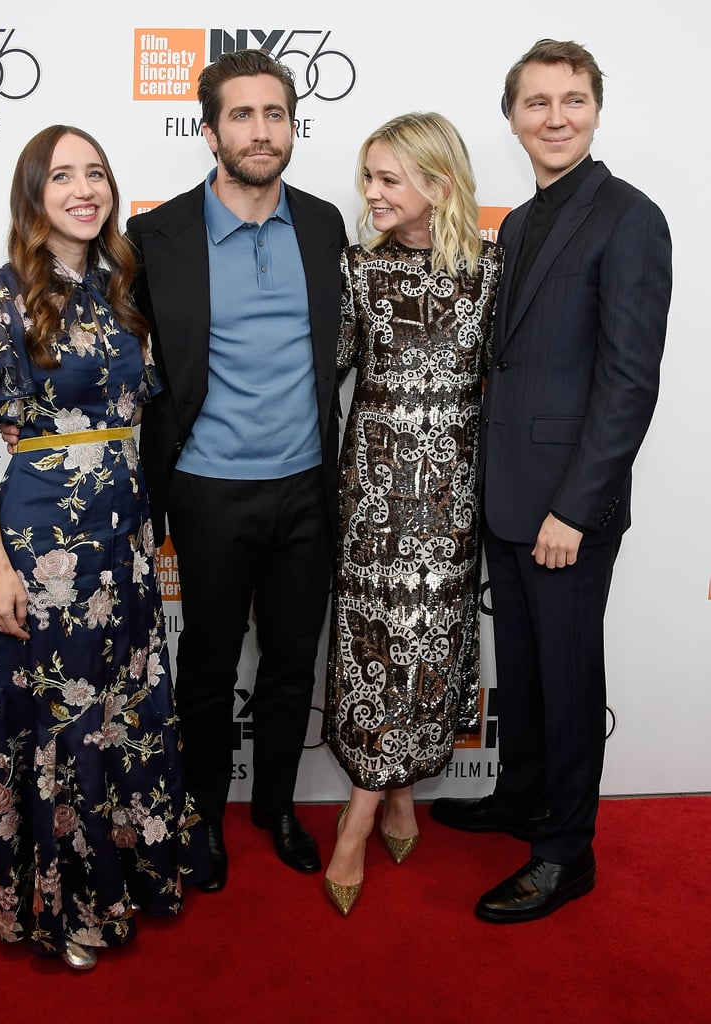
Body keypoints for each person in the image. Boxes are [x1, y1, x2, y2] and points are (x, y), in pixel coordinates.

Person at [0, 125, 205, 970]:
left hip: (126, 536)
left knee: (126, 711)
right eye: (64, 176)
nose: (86, 189)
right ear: (33, 193)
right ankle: (63, 906)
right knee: (60, 719)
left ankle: (134, 878)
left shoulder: (122, 294)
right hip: (43, 545)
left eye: (98, 174)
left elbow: (141, 418)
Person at [430, 39, 672, 923]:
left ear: (597, 109)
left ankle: (567, 853)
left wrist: (576, 506)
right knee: (525, 672)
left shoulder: (629, 216)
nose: (556, 117)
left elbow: (629, 380)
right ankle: (521, 795)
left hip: (568, 506)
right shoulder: (523, 223)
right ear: (513, 119)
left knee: (569, 682)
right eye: (537, 103)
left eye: (572, 100)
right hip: (508, 494)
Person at [125, 49, 348, 892]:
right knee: (211, 667)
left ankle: (279, 809)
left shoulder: (326, 224)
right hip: (208, 488)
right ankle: (204, 817)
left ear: (293, 125)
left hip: (305, 487)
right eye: (243, 116)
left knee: (294, 661)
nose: (262, 132)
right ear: (210, 128)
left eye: (276, 115)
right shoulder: (158, 237)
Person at [323, 112, 502, 916]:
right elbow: (320, 372)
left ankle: (374, 808)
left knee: (428, 649)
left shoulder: (492, 274)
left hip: (454, 502)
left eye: (388, 178)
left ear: (438, 183)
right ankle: (376, 809)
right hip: (372, 500)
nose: (372, 193)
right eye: (369, 177)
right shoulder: (356, 272)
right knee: (374, 648)